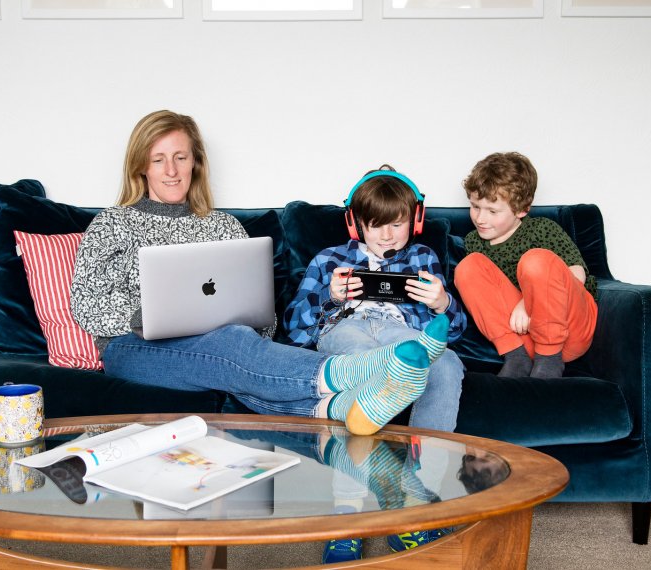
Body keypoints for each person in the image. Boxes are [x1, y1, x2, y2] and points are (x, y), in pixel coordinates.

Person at [70, 110, 449, 439]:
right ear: (141, 165)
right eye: (159, 160)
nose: (171, 170)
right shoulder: (112, 223)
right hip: (135, 349)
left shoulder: (225, 227)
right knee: (231, 345)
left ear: (194, 163)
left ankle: (347, 407)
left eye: (180, 157)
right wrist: (149, 317)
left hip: (220, 346)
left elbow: (262, 322)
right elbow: (85, 303)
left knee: (235, 349)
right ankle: (366, 369)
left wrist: (240, 321)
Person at [283, 164, 466, 562]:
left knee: (447, 363)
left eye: (397, 223)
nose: (386, 234)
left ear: (415, 221)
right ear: (355, 224)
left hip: (404, 335)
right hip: (348, 330)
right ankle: (347, 513)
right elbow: (295, 332)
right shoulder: (329, 259)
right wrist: (330, 297)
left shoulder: (423, 256)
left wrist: (442, 304)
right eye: (376, 225)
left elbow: (454, 331)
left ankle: (417, 507)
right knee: (360, 366)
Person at [454, 152, 598, 379]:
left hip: (569, 331)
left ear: (522, 209)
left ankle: (549, 360)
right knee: (466, 267)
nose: (480, 218)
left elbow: (576, 274)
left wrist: (527, 303)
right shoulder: (474, 241)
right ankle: (515, 357)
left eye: (492, 211)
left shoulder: (542, 228)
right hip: (524, 336)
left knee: (535, 260)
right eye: (475, 207)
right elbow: (489, 299)